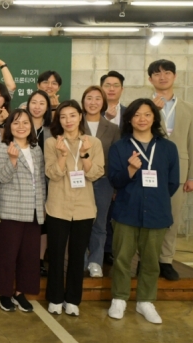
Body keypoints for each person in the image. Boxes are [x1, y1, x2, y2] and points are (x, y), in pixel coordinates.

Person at [107, 98, 180, 324]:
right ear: (129, 118)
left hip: (157, 213)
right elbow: (115, 180)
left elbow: (172, 183)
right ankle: (119, 298)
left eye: (147, 114)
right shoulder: (120, 147)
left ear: (154, 118)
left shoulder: (168, 147)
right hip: (126, 211)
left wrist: (154, 199)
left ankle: (145, 301)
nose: (142, 119)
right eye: (137, 115)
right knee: (121, 259)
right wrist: (130, 168)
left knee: (150, 260)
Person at [44, 100, 104, 316]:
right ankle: (55, 297)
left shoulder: (93, 142)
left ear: (80, 116)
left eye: (72, 115)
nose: (67, 120)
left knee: (78, 256)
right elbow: (52, 173)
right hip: (57, 206)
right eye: (62, 116)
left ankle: (73, 300)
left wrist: (85, 154)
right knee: (57, 254)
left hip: (84, 208)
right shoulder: (52, 143)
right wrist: (62, 155)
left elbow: (95, 174)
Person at [147, 59, 193, 281]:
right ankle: (146, 259)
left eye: (167, 73)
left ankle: (166, 260)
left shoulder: (188, 108)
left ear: (174, 76)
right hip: (149, 170)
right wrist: (154, 111)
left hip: (178, 171)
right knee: (148, 216)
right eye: (157, 74)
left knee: (172, 218)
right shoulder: (144, 106)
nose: (162, 77)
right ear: (150, 79)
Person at [0, 109, 46, 313]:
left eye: (25, 122)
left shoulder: (36, 149)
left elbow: (40, 180)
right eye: (16, 123)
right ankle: (4, 293)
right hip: (11, 209)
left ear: (31, 126)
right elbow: (2, 178)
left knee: (29, 255)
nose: (21, 126)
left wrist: (42, 206)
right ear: (9, 127)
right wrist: (12, 160)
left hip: (34, 210)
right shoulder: (2, 148)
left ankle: (20, 292)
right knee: (8, 255)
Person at [81, 86, 120, 278]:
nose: (93, 102)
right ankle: (81, 259)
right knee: (80, 221)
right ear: (83, 102)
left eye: (97, 98)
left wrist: (114, 185)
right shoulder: (75, 124)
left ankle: (95, 260)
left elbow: (115, 158)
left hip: (103, 181)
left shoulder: (112, 129)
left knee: (100, 222)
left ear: (103, 103)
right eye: (89, 98)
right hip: (79, 181)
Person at [100, 71, 126, 266]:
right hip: (95, 172)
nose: (111, 88)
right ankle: (96, 252)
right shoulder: (91, 112)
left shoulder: (130, 114)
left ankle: (109, 250)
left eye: (115, 85)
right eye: (107, 85)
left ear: (121, 89)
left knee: (114, 214)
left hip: (122, 171)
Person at [25, 90, 52, 276]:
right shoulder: (21, 125)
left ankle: (39, 260)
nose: (37, 106)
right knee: (26, 221)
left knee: (44, 223)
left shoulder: (52, 129)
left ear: (47, 107)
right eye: (33, 102)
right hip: (24, 182)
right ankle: (25, 257)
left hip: (48, 181)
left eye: (42, 103)